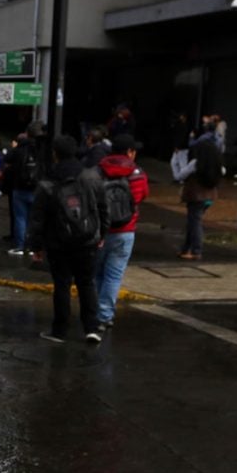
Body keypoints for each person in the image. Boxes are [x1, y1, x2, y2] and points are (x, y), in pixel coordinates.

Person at [27, 134, 108, 344]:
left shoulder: (48, 182)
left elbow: (38, 218)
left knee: (62, 285)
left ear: (55, 154)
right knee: (86, 283)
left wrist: (36, 245)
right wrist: (102, 233)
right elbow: (102, 207)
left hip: (58, 243)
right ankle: (91, 327)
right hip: (87, 240)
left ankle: (60, 330)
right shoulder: (91, 177)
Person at [93, 134, 148, 331]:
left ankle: (93, 311)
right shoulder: (138, 174)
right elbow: (141, 196)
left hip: (99, 230)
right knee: (114, 275)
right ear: (130, 152)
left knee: (97, 273)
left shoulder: (98, 171)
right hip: (125, 231)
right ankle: (105, 315)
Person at [179, 125, 223, 261]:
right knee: (192, 222)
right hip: (210, 197)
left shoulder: (196, 163)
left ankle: (196, 250)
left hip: (196, 197)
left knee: (195, 223)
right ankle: (186, 248)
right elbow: (222, 172)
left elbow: (180, 175)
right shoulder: (216, 163)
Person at [4, 120, 47, 255]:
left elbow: (7, 158)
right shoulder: (43, 148)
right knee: (34, 219)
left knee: (20, 218)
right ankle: (33, 246)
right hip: (37, 188)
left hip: (20, 187)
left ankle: (20, 245)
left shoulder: (20, 148)